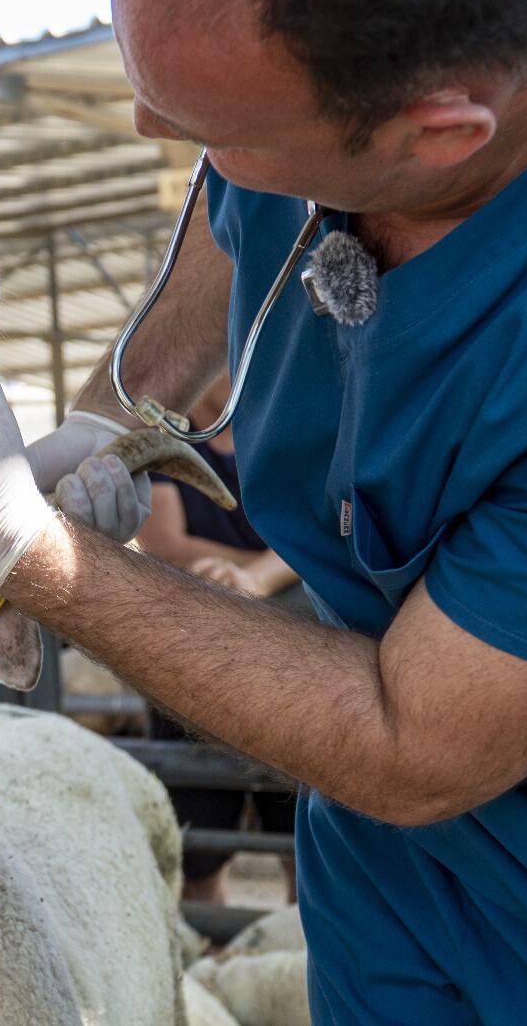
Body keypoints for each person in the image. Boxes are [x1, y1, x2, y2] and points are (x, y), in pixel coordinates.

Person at [0, 0, 527, 1020]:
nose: (142, 124)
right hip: (376, 873)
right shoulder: (335, 90)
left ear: (438, 134)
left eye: (212, 128)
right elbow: (239, 227)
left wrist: (17, 544)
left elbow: (415, 744)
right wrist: (102, 417)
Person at [133, 375, 300, 905]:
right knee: (198, 845)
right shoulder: (164, 436)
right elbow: (164, 545)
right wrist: (271, 571)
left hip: (289, 666)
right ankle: (214, 960)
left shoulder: (277, 428)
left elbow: (313, 537)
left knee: (302, 836)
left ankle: (295, 967)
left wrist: (247, 580)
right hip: (195, 660)